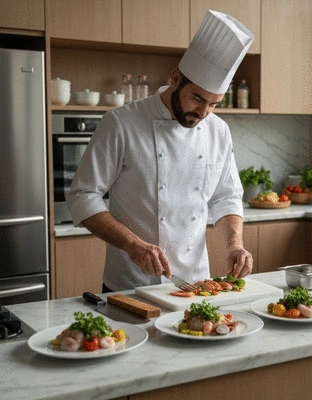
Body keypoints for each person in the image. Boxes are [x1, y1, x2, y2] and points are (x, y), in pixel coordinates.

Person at [66, 10, 254, 292]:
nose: (203, 112)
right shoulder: (121, 123)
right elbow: (83, 195)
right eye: (197, 99)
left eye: (214, 104)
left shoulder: (218, 131)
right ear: (175, 78)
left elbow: (226, 197)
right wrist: (133, 245)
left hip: (195, 284)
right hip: (131, 285)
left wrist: (234, 244)